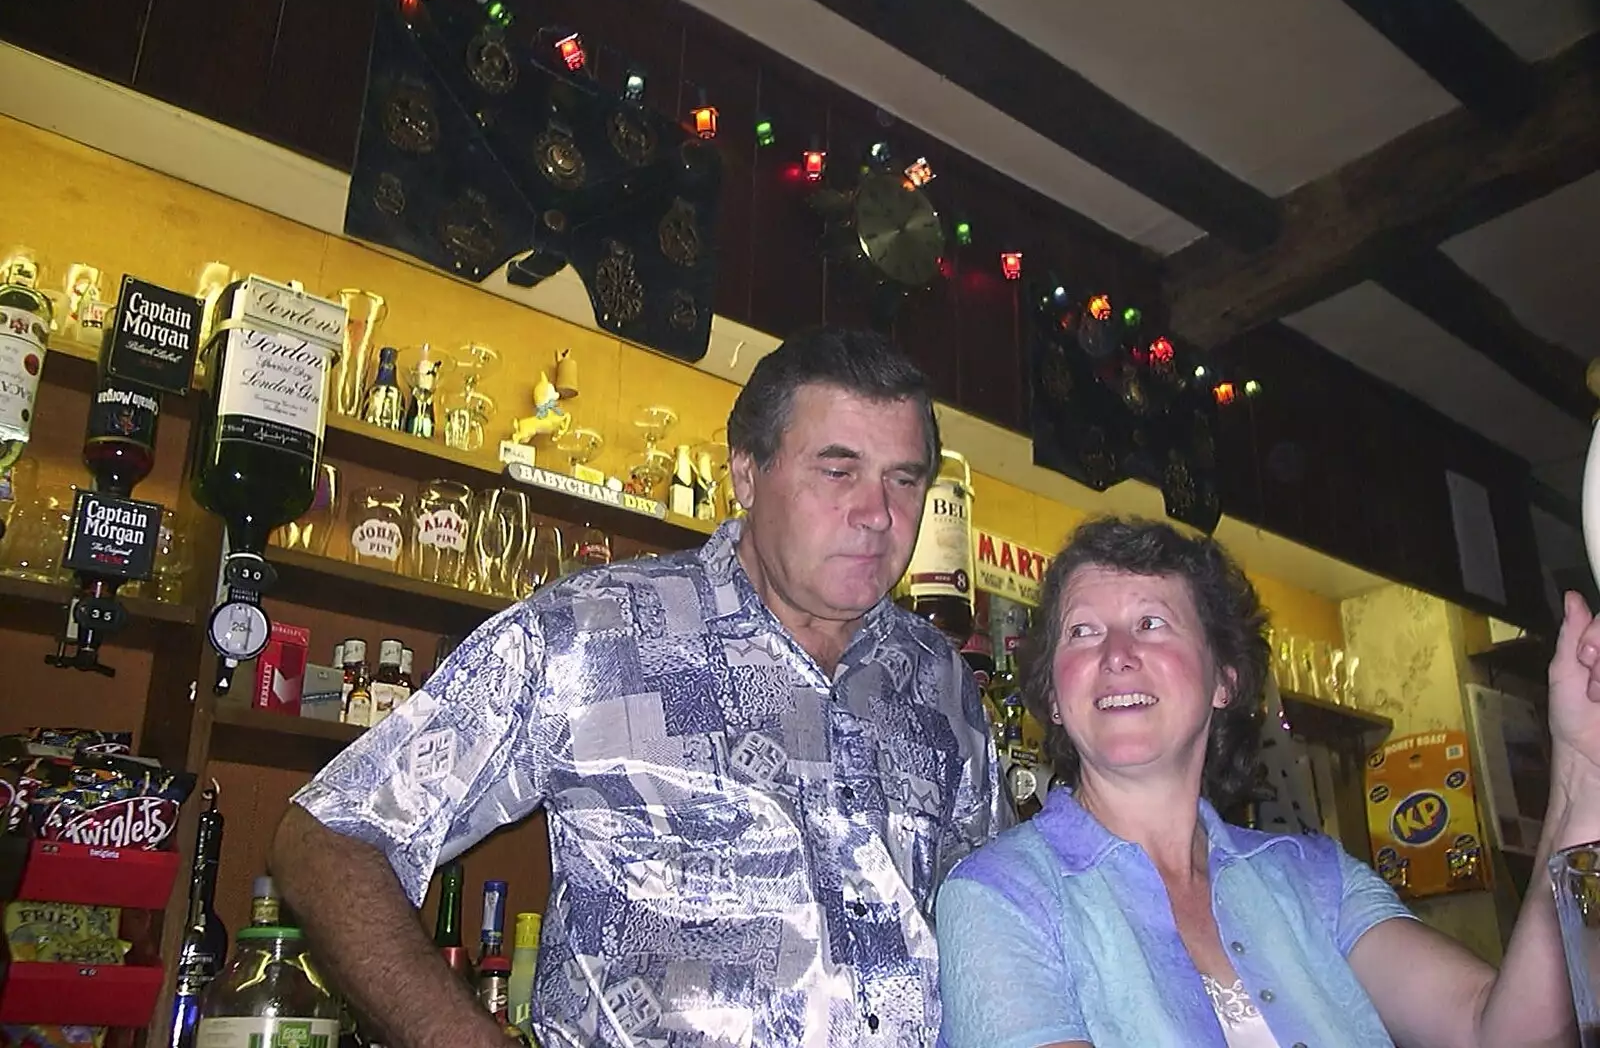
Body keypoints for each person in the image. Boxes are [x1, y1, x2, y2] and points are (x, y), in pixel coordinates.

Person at [270, 325, 1010, 1048]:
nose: (878, 514)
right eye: (838, 470)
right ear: (746, 473)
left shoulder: (942, 685)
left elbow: (1004, 928)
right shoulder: (594, 633)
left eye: (903, 480)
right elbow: (331, 839)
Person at [935, 515, 1600, 1048]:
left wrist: (1579, 772)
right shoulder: (1000, 896)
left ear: (1225, 678)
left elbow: (1504, 1030)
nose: (1115, 655)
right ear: (1051, 693)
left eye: (1150, 623)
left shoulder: (1312, 879)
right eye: (1082, 633)